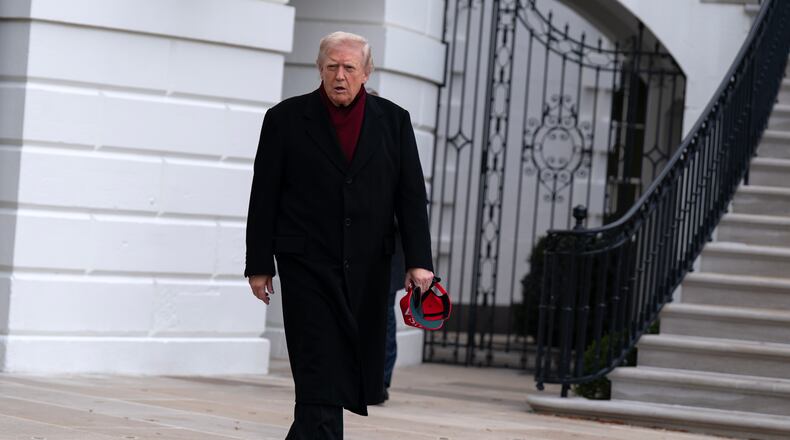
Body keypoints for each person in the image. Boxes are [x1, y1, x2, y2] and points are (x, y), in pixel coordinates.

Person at [244, 31, 434, 439]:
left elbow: (411, 196)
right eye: (332, 66)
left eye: (349, 67)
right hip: (305, 263)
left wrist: (419, 261)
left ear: (366, 72)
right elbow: (264, 196)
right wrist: (259, 265)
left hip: (367, 264)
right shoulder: (284, 119)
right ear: (319, 69)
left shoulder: (393, 121)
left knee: (344, 361)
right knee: (317, 358)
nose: (340, 75)